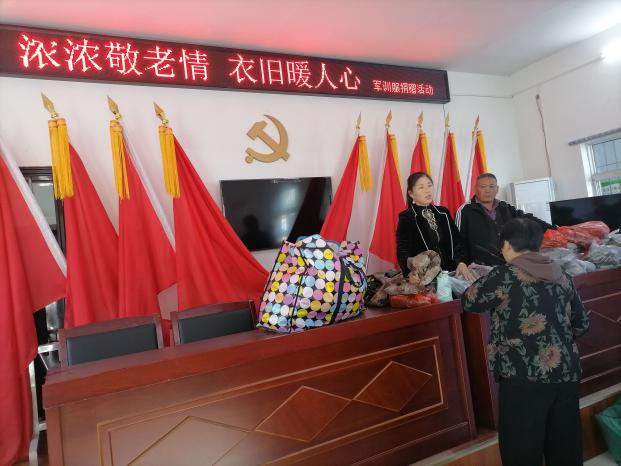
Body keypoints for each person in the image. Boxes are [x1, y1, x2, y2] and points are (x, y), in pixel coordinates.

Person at [462, 218, 589, 466]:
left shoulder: (504, 276)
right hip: (566, 374)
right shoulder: (562, 274)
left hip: (523, 376)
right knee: (565, 449)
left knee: (521, 452)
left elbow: (469, 301)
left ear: (507, 245)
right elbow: (582, 324)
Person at [455, 173, 555, 266]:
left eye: (491, 186)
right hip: (480, 268)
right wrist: (461, 263)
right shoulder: (465, 211)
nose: (487, 190)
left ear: (497, 189)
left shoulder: (505, 207)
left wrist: (554, 229)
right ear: (475, 188)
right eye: (483, 187)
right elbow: (457, 241)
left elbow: (527, 219)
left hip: (509, 264)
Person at [396, 172, 475, 281]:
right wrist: (410, 273)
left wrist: (461, 262)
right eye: (421, 187)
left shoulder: (443, 212)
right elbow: (402, 251)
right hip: (426, 277)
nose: (427, 190)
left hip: (453, 272)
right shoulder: (407, 217)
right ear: (411, 193)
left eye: (429, 185)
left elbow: (458, 241)